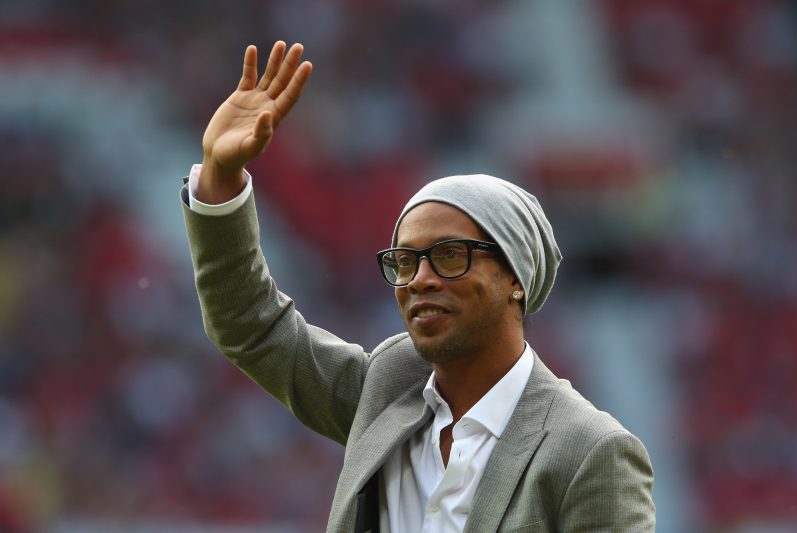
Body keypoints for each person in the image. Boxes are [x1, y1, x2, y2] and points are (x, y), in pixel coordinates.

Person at [181, 42, 656, 532]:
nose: (420, 279)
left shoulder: (590, 451)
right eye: (405, 262)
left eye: (450, 256)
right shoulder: (391, 385)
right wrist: (220, 176)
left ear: (515, 277)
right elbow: (250, 326)